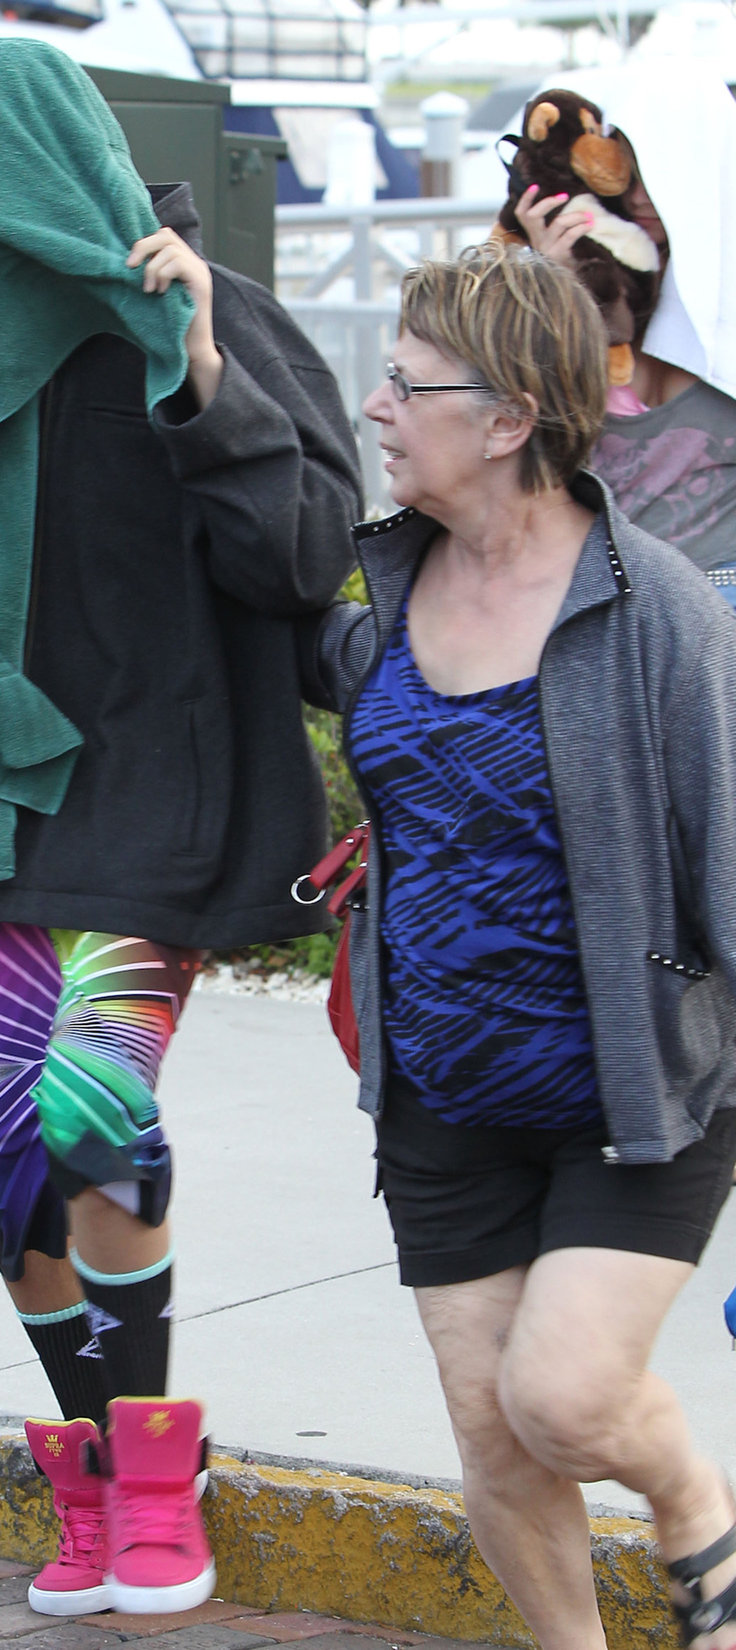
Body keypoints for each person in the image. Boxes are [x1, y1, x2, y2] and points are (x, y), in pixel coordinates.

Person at [0, 37, 360, 1620]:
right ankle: (90, 1474)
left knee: (96, 1116)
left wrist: (206, 369)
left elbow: (305, 559)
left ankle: (161, 1480)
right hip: (2, 802)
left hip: (162, 799)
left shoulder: (211, 303)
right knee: (1, 1171)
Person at [300, 242, 736, 1650]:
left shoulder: (656, 607)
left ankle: (697, 1513)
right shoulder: (387, 592)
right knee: (496, 1440)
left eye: (404, 383)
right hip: (443, 1090)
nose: (376, 406)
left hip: (634, 1088)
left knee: (567, 1398)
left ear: (504, 421)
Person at [505, 62, 736, 603]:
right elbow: (519, 437)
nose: (637, 198)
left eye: (660, 173)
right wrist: (549, 287)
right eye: (625, 175)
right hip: (604, 601)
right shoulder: (588, 285)